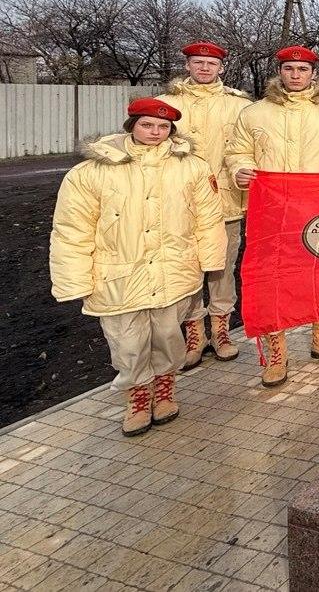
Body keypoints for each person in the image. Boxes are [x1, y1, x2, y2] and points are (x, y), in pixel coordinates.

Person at [50, 98, 226, 436]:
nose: (155, 132)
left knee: (167, 336)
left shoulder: (192, 168)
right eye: (147, 125)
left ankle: (164, 389)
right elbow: (72, 228)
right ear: (131, 125)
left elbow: (208, 219)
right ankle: (137, 396)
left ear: (172, 130)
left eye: (163, 127)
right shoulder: (92, 171)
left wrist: (210, 260)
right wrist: (73, 279)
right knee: (127, 342)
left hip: (173, 270)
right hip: (117, 274)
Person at [225, 46, 319, 387]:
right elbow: (237, 152)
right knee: (273, 279)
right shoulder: (255, 113)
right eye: (289, 69)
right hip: (271, 213)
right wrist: (240, 170)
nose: (296, 75)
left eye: (303, 69)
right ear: (280, 71)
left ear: (313, 73)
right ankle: (277, 351)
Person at [159, 41, 252, 369]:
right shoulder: (165, 105)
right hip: (180, 204)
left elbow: (249, 149)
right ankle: (194, 330)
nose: (204, 69)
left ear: (221, 68)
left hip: (225, 199)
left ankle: (222, 329)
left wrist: (243, 171)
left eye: (211, 64)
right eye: (197, 63)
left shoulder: (238, 106)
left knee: (222, 266)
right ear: (187, 65)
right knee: (187, 266)